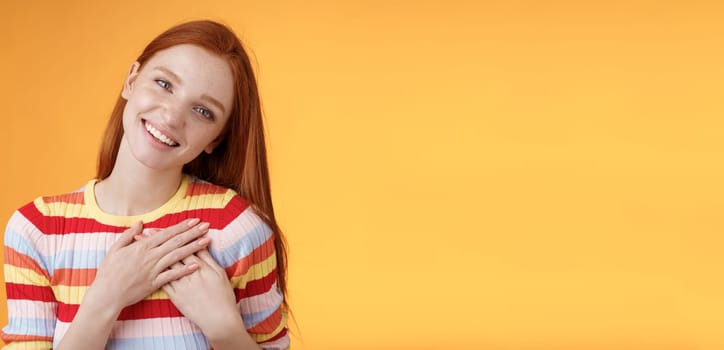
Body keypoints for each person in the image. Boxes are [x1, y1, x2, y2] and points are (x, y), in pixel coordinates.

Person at [1, 20, 289, 349]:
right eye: (164, 84)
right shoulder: (37, 230)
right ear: (131, 80)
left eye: (202, 111)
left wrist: (225, 330)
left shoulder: (237, 228)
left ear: (217, 138)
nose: (171, 116)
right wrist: (104, 300)